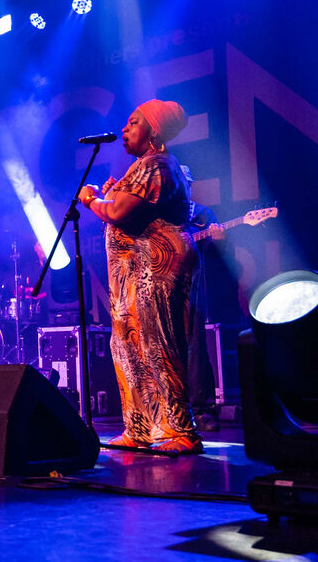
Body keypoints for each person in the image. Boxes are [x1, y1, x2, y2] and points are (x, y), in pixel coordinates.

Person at [78, 100, 201, 454]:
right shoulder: (142, 166)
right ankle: (140, 428)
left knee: (159, 344)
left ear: (155, 130)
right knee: (128, 347)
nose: (125, 128)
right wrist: (109, 193)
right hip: (134, 273)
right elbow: (124, 207)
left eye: (134, 122)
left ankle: (183, 431)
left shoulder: (157, 165)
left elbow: (117, 212)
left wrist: (92, 200)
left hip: (157, 268)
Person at [180, 165, 226, 432]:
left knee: (195, 348)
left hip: (192, 289)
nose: (183, 187)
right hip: (163, 288)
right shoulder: (160, 213)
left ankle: (202, 409)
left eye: (186, 183)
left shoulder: (202, 215)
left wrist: (218, 241)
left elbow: (219, 258)